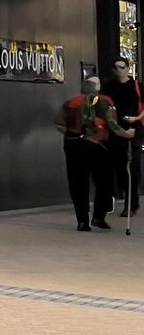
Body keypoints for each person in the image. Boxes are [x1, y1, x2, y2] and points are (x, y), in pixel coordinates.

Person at [58, 73, 130, 230]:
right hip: (98, 145)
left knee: (78, 184)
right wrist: (127, 133)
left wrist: (73, 134)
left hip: (74, 144)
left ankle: (82, 221)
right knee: (104, 183)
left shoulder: (71, 102)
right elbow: (113, 124)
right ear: (97, 87)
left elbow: (59, 123)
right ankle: (99, 217)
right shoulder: (105, 101)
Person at [100, 57, 143, 217]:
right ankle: (118, 198)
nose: (119, 70)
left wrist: (136, 121)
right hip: (113, 130)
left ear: (128, 68)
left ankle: (131, 204)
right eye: (116, 67)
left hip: (133, 130)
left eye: (122, 67)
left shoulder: (137, 86)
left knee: (131, 167)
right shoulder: (108, 87)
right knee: (117, 167)